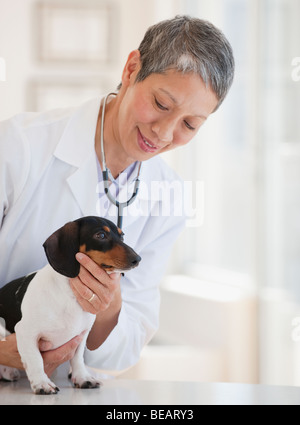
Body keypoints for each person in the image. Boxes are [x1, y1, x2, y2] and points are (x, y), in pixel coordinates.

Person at [0, 16, 234, 378]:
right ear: (131, 69)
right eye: (160, 103)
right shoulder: (18, 148)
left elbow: (128, 344)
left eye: (190, 125)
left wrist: (108, 307)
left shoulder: (168, 196)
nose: (164, 133)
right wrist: (5, 352)